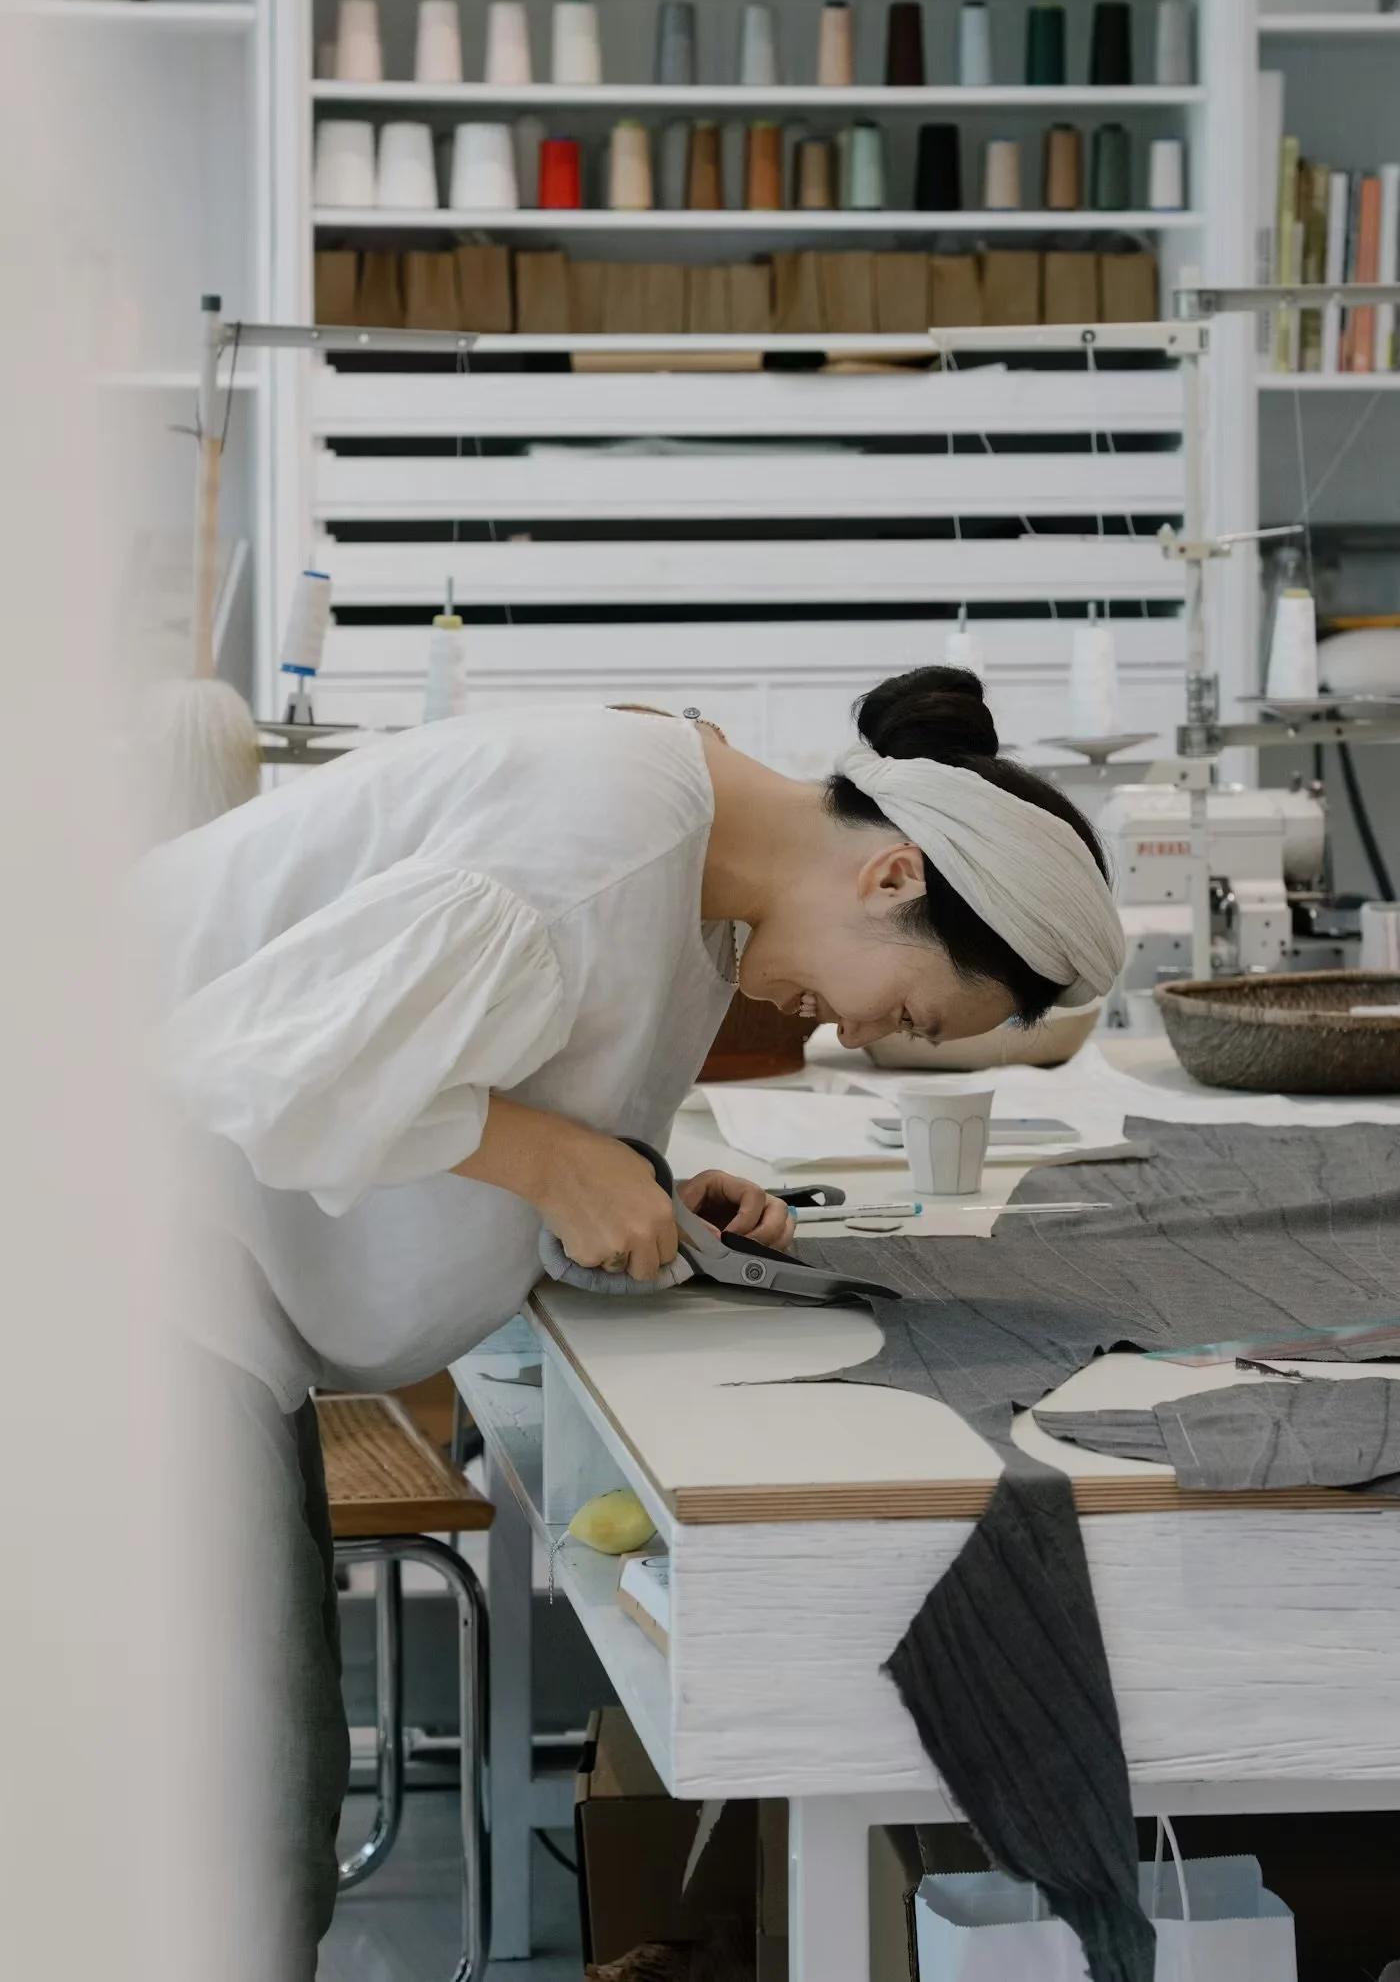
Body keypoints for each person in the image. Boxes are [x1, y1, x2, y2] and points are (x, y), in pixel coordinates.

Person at [139, 664, 1123, 1972]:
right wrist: (554, 1161)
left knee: (242, 1824)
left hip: (202, 1297)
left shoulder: (692, 867)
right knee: (225, 1846)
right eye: (906, 1011)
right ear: (893, 875)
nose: (857, 1033)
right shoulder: (609, 832)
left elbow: (464, 1072)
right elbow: (254, 1068)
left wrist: (642, 1188)